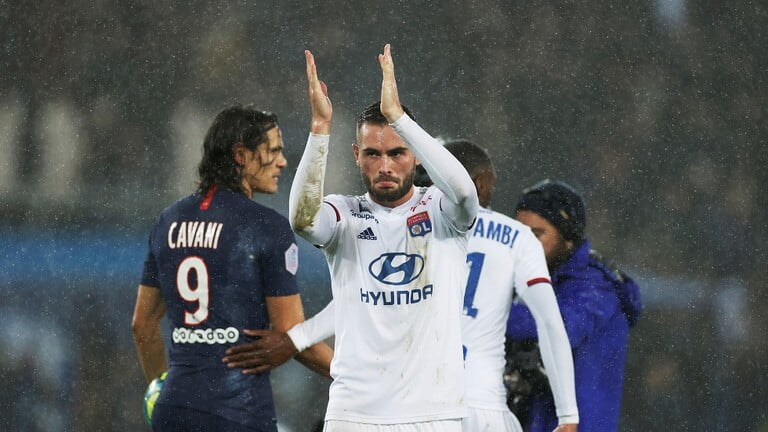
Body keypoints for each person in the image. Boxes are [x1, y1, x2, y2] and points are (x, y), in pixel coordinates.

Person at [293, 44, 478, 431]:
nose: (385, 166)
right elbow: (303, 221)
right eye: (373, 154)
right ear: (356, 155)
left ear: (417, 154)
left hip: (434, 413)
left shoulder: (440, 210)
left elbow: (465, 193)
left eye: (397, 153)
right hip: (354, 414)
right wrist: (320, 128)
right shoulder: (343, 213)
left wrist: (399, 118)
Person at [131, 105, 333, 432]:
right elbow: (295, 338)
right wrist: (357, 376)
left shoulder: (169, 220)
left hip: (173, 410)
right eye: (273, 151)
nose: (282, 162)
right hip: (237, 411)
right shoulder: (266, 227)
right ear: (241, 155)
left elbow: (142, 326)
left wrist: (162, 387)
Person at [506, 180, 642, 432]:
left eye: (536, 235)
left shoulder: (596, 285)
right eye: (516, 234)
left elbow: (561, 327)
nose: (522, 246)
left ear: (568, 238)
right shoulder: (534, 280)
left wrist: (487, 310)